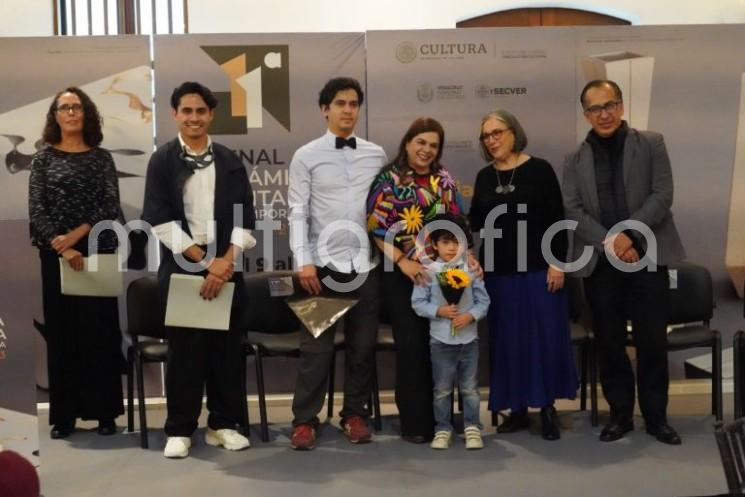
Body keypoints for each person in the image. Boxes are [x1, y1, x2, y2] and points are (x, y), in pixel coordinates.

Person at [562, 80, 686, 445]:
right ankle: (619, 415)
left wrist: (628, 236)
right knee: (610, 343)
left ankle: (656, 417)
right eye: (596, 108)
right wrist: (610, 242)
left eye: (610, 105)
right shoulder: (574, 159)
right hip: (602, 264)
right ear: (586, 114)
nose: (604, 114)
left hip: (648, 257)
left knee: (651, 342)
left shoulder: (651, 143)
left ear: (621, 106)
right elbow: (573, 209)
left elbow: (662, 195)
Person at [142, 81, 256, 458]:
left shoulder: (229, 160)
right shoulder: (162, 160)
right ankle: (180, 428)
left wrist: (224, 262)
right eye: (186, 111)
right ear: (175, 114)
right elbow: (158, 219)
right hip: (183, 266)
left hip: (225, 265)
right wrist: (205, 263)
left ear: (211, 115)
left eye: (201, 111)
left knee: (226, 350)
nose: (194, 117)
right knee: (186, 352)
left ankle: (222, 424)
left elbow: (245, 217)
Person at [367, 117, 480, 443]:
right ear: (407, 142)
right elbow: (376, 226)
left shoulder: (444, 181)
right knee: (413, 347)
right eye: (421, 142)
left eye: (433, 145)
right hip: (401, 274)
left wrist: (469, 255)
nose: (426, 150)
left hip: (443, 276)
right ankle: (417, 424)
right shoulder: (388, 179)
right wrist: (403, 261)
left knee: (443, 346)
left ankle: (443, 420)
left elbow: (459, 222)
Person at [288, 77, 387, 450]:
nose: (348, 110)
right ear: (324, 108)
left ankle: (355, 414)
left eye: (353, 103)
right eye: (340, 103)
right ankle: (304, 421)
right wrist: (304, 261)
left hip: (364, 265)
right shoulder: (306, 155)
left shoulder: (376, 154)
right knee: (316, 349)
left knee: (362, 347)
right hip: (321, 267)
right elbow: (298, 211)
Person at [469, 109, 578, 441]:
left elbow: (557, 220)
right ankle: (515, 410)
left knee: (543, 340)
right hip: (498, 276)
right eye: (486, 136)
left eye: (497, 132)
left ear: (514, 133)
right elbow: (475, 223)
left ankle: (546, 408)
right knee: (507, 342)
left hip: (539, 271)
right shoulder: (485, 177)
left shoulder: (539, 169)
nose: (492, 140)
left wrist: (558, 263)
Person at [28, 87, 125, 439]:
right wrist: (62, 245)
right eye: (64, 107)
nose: (71, 112)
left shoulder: (101, 158)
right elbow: (37, 209)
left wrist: (78, 235)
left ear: (87, 114)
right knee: (63, 336)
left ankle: (105, 413)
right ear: (55, 115)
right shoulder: (43, 159)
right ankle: (64, 416)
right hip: (56, 259)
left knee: (99, 334)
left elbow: (109, 206)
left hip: (97, 251)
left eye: (77, 107)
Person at [411, 214, 490, 450]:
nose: (452, 247)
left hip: (469, 341)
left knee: (470, 389)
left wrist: (470, 315)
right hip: (440, 340)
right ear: (435, 245)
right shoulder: (427, 271)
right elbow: (418, 303)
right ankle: (443, 428)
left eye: (457, 242)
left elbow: (483, 301)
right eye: (445, 242)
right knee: (442, 390)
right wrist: (439, 310)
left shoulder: (472, 271)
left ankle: (472, 427)